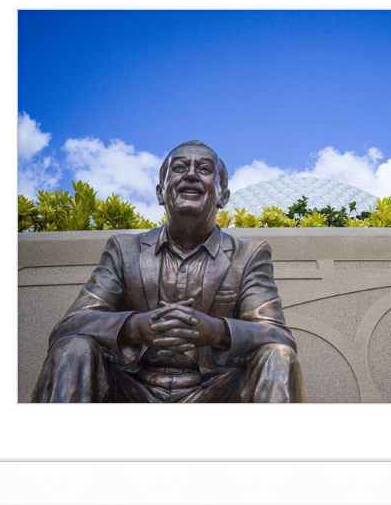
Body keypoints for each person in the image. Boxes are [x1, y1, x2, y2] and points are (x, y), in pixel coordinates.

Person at [31, 140, 305, 403]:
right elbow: (71, 325)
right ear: (161, 192)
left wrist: (217, 331)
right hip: (131, 390)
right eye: (179, 167)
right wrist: (134, 327)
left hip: (216, 393)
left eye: (205, 169)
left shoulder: (248, 255)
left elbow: (277, 334)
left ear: (223, 196)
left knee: (278, 355)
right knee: (73, 347)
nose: (191, 175)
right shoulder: (124, 249)